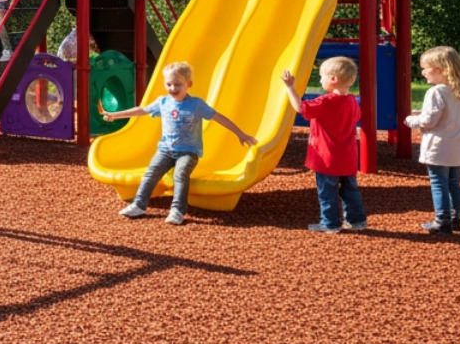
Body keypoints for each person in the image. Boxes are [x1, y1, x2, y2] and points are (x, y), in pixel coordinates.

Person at [104, 61, 257, 225]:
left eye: (177, 84)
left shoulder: (196, 104)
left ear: (188, 84)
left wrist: (240, 134)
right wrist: (116, 115)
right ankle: (139, 205)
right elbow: (142, 110)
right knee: (151, 172)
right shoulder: (162, 102)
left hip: (188, 151)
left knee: (180, 173)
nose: (172, 88)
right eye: (169, 84)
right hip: (166, 149)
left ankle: (177, 210)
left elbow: (219, 117)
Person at [280, 57, 366, 233]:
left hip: (327, 158)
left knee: (327, 193)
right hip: (347, 157)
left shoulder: (325, 102)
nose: (320, 80)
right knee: (350, 191)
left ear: (333, 79)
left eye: (322, 77)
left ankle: (330, 223)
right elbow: (355, 119)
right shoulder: (352, 102)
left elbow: (300, 107)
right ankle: (357, 221)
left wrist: (290, 87)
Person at [404, 46, 460, 234]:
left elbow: (428, 121)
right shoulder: (458, 90)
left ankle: (442, 220)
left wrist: (411, 120)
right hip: (456, 146)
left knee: (438, 183)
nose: (423, 71)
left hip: (438, 147)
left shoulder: (435, 92)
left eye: (426, 67)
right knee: (453, 183)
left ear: (440, 70)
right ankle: (456, 218)